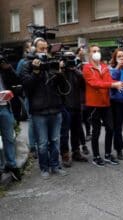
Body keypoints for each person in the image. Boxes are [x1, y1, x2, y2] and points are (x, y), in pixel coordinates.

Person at [21, 37, 68, 179]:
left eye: (46, 48)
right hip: (38, 111)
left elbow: (64, 88)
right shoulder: (27, 65)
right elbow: (26, 88)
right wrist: (35, 72)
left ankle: (55, 165)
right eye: (41, 48)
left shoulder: (52, 63)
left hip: (55, 109)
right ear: (34, 49)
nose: (44, 51)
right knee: (42, 143)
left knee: (55, 140)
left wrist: (60, 73)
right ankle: (44, 168)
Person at [82, 45, 123, 167]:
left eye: (98, 51)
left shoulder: (104, 66)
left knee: (110, 128)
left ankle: (107, 154)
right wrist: (113, 85)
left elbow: (108, 80)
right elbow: (94, 83)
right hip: (94, 104)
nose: (97, 53)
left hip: (106, 103)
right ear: (89, 54)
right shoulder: (86, 68)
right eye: (94, 51)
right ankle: (96, 156)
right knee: (96, 131)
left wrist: (118, 83)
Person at [59, 52, 89, 168]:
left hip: (77, 105)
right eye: (68, 59)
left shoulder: (76, 72)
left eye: (72, 59)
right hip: (65, 106)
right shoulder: (60, 72)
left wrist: (75, 69)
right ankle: (65, 154)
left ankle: (76, 151)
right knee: (64, 133)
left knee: (76, 131)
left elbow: (84, 83)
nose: (70, 61)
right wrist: (61, 69)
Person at [0, 55, 22, 181]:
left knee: (9, 138)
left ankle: (12, 165)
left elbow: (17, 80)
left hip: (5, 108)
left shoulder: (4, 70)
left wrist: (8, 68)